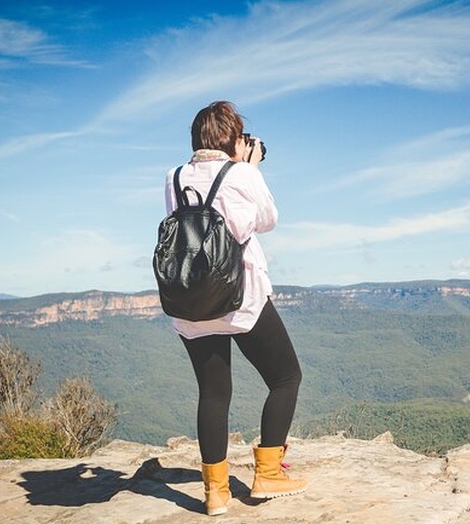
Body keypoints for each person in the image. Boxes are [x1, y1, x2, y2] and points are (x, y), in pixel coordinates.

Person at [162, 101, 306, 516]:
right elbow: (267, 219)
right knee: (285, 377)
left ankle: (215, 494)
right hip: (239, 296)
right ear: (232, 138)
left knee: (213, 391)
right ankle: (269, 474)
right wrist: (250, 167)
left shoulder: (172, 177)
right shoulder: (241, 172)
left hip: (189, 298)